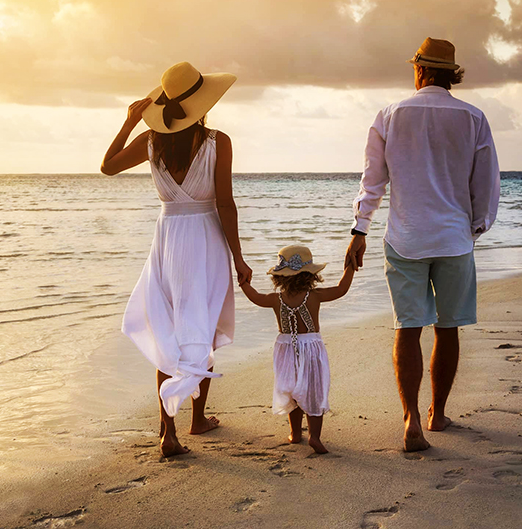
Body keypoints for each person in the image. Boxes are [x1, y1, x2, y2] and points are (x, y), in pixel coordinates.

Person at [346, 37, 500, 452]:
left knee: (407, 328)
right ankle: (437, 413)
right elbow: (486, 182)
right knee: (447, 329)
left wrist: (359, 230)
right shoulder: (473, 117)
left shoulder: (390, 115)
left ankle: (411, 417)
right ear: (451, 74)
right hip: (453, 238)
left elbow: (372, 181)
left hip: (405, 237)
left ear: (420, 70)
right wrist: (475, 228)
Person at [100, 61, 252, 457]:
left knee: (169, 329)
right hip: (205, 238)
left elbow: (108, 167)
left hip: (167, 240)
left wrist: (129, 123)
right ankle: (197, 419)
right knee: (203, 324)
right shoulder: (218, 141)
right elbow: (225, 204)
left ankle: (168, 431)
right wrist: (239, 258)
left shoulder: (151, 141)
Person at [238, 245, 354, 454]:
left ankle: (295, 433)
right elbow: (341, 289)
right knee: (313, 391)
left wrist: (243, 282)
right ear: (310, 275)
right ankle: (315, 437)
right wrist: (350, 267)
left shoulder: (275, 299)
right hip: (311, 347)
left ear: (279, 277)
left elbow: (255, 297)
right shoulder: (315, 296)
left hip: (285, 350)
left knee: (292, 390)